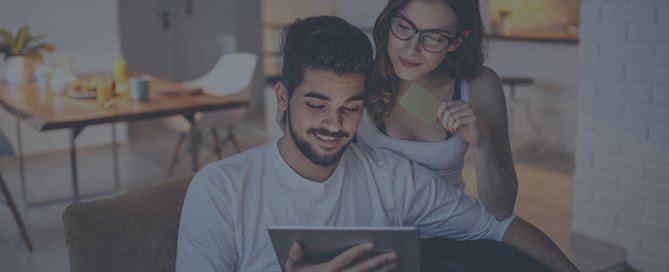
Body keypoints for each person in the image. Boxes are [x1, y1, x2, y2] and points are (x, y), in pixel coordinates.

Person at [176, 15, 577, 272]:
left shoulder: (393, 178)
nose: (334, 123)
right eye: (316, 104)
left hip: (438, 230)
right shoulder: (220, 190)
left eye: (350, 107)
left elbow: (498, 222)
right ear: (283, 99)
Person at [358, 0, 517, 220]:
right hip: (371, 232)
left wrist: (481, 147)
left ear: (457, 41)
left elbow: (501, 209)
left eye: (433, 37)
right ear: (389, 21)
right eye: (403, 27)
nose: (411, 49)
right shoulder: (360, 75)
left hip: (447, 230)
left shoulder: (479, 85)